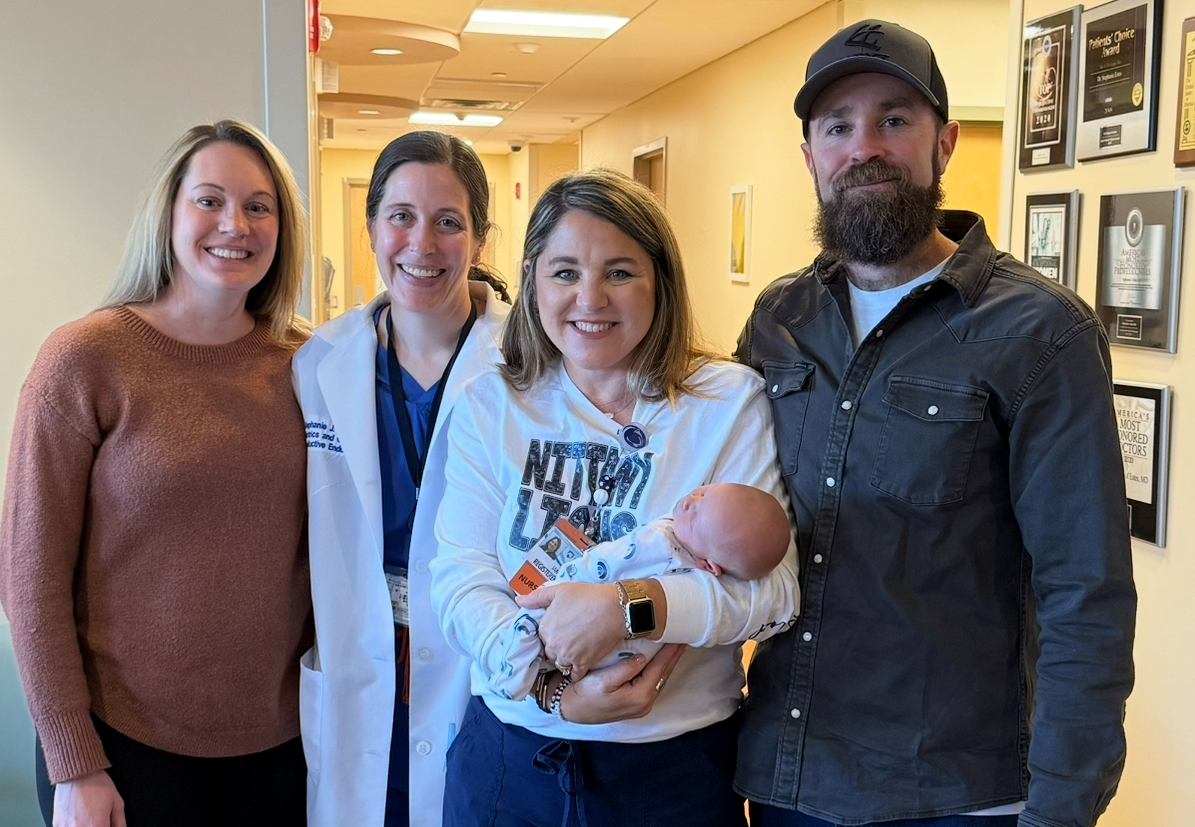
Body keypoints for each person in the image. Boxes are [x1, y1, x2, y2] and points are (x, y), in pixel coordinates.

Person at [735, 20, 1136, 827]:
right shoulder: (779, 318)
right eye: (837, 127)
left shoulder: (1040, 332)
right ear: (809, 154)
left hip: (951, 797)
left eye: (894, 119)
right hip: (787, 782)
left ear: (943, 143)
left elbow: (1084, 594)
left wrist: (1060, 809)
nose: (864, 147)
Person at [431, 168, 801, 827]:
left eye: (620, 271)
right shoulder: (492, 404)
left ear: (660, 279)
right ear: (532, 278)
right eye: (565, 271)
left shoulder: (725, 402)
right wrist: (554, 692)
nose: (590, 297)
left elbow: (770, 596)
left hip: (669, 776)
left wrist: (629, 609)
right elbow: (459, 579)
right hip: (511, 761)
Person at [0, 119, 312, 827]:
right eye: (210, 200)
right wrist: (74, 762)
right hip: (121, 750)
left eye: (259, 205)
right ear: (168, 214)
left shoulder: (312, 366)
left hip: (279, 747)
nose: (235, 223)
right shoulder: (85, 358)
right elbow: (29, 577)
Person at [292, 131, 512, 827]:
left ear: (479, 240)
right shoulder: (318, 363)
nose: (421, 243)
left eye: (449, 222)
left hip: (479, 655)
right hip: (363, 660)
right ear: (370, 229)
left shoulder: (530, 364)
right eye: (400, 217)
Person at [489, 482, 793, 701]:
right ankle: (522, 678)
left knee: (530, 627)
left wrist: (600, 599)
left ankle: (514, 678)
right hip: (573, 630)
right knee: (534, 633)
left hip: (609, 654)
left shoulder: (662, 546)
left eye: (698, 513)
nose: (689, 501)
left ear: (710, 565)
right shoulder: (675, 535)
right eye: (703, 491)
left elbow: (782, 606)